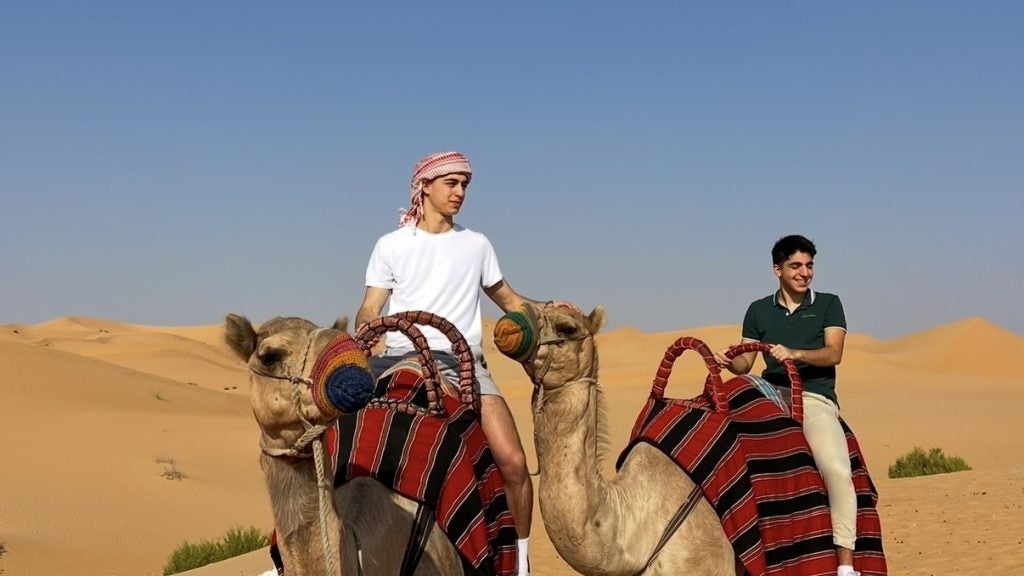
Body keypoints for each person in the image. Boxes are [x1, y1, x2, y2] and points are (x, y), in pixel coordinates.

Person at [356, 151, 557, 576]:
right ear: (424, 186)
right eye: (452, 184)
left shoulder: (476, 244)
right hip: (401, 357)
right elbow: (370, 307)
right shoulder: (391, 246)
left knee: (514, 463)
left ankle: (519, 563)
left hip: (463, 362)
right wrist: (369, 328)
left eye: (465, 185)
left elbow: (509, 301)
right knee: (349, 448)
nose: (460, 193)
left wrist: (551, 308)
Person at [713, 234, 859, 576]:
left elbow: (833, 353)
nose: (804, 273)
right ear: (777, 269)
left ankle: (846, 567)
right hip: (768, 394)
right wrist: (726, 359)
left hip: (812, 397)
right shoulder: (758, 310)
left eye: (809, 266)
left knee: (837, 471)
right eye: (796, 265)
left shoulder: (827, 304)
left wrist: (795, 354)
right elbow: (745, 364)